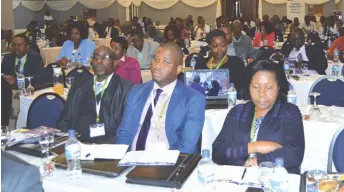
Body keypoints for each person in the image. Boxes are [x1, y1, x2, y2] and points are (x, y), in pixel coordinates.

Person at [212, 60, 305, 174]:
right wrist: (255, 146)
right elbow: (218, 152)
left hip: (277, 180)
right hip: (238, 179)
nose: (262, 93)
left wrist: (253, 163)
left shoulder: (289, 112)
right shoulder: (238, 112)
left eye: (269, 87)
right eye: (256, 87)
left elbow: (294, 155)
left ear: (279, 86)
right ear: (249, 87)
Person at [115, 43, 206, 154]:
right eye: (156, 59)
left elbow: (186, 145)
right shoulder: (137, 91)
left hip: (167, 162)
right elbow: (124, 132)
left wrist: (160, 163)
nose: (157, 66)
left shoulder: (193, 99)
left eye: (166, 62)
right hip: (131, 160)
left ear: (178, 69)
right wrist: (122, 157)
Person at [57, 46, 133, 143]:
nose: (99, 61)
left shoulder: (127, 89)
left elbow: (126, 130)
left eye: (105, 57)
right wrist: (71, 141)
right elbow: (64, 119)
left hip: (109, 147)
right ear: (91, 62)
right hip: (79, 143)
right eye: (96, 57)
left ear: (115, 63)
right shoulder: (79, 85)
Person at [194, 30, 246, 99]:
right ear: (209, 47)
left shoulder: (237, 62)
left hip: (230, 102)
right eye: (215, 46)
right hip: (205, 103)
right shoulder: (201, 64)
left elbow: (243, 90)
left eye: (223, 45)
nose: (220, 49)